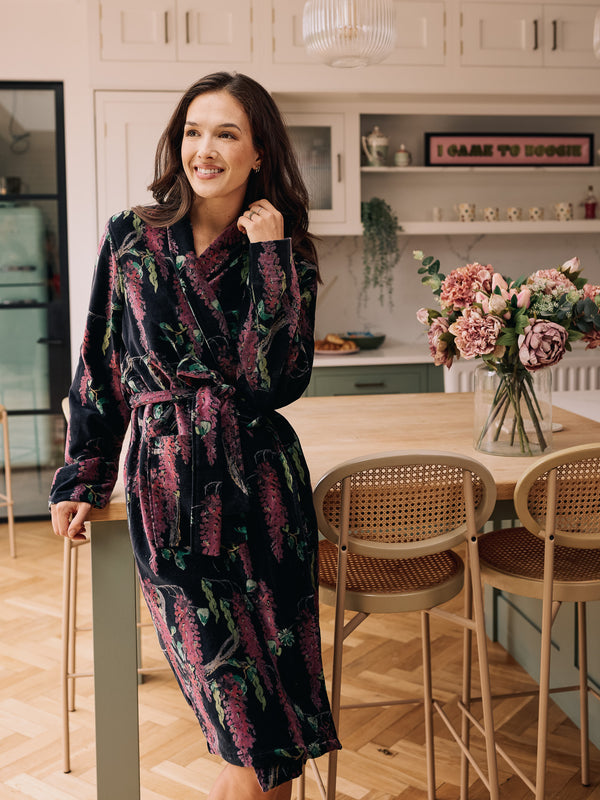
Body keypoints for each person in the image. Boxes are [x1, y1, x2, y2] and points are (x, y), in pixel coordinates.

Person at [49, 71, 341, 799]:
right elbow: (101, 365)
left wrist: (270, 257)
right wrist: (84, 474)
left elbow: (276, 380)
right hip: (172, 490)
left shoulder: (286, 250)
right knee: (243, 721)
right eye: (192, 131)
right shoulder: (132, 237)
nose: (203, 149)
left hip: (265, 491)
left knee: (278, 731)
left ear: (259, 152)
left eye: (226, 134)